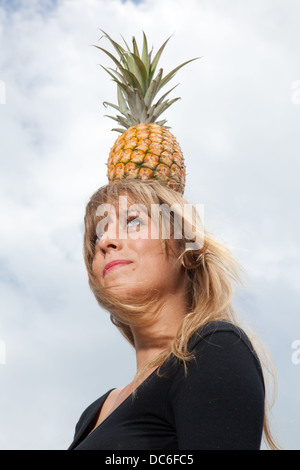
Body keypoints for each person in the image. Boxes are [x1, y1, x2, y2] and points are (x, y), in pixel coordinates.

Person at [68, 179, 279, 450]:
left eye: (133, 221)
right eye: (98, 234)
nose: (105, 241)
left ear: (187, 250)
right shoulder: (94, 413)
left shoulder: (215, 349)